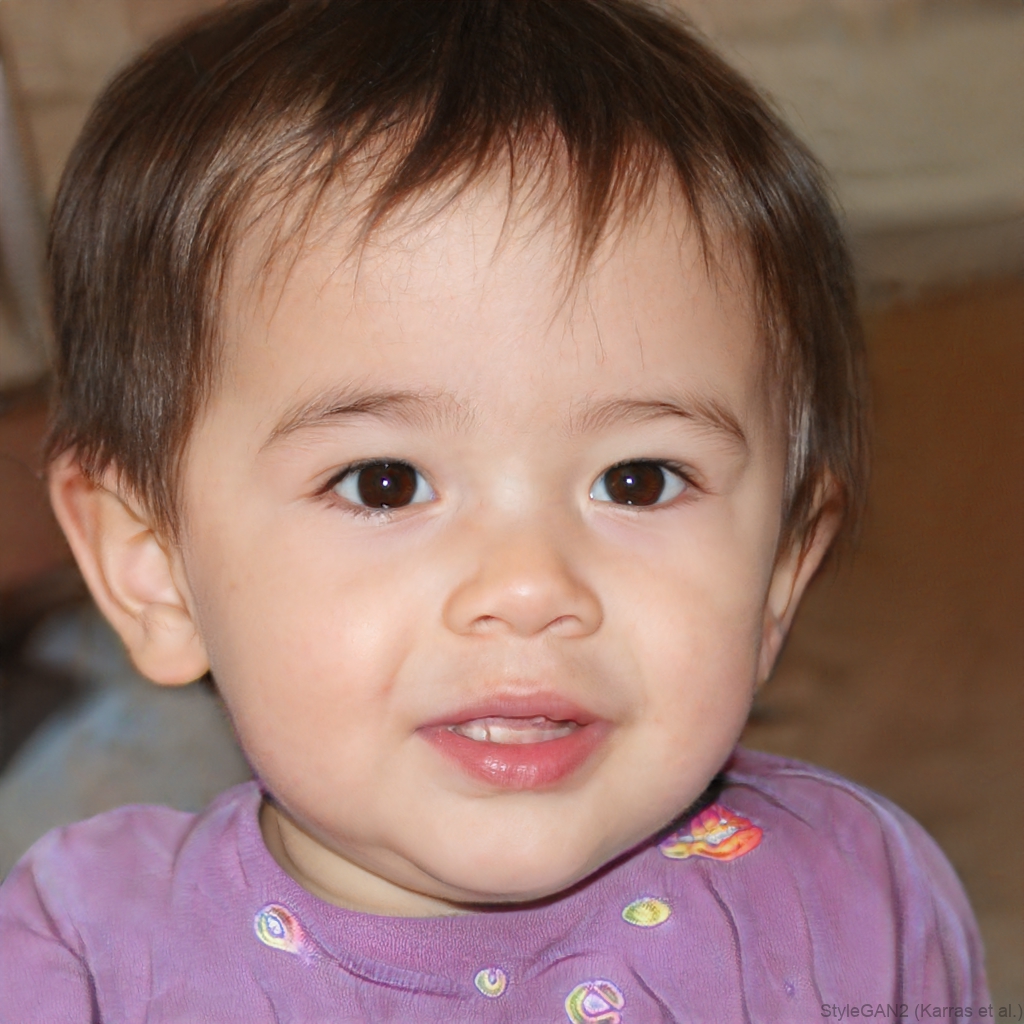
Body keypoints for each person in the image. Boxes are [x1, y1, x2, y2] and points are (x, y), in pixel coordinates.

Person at [0, 1, 987, 1020]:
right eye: (384, 482)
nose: (528, 586)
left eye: (638, 480)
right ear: (152, 567)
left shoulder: (855, 903)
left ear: (778, 573)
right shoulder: (80, 963)